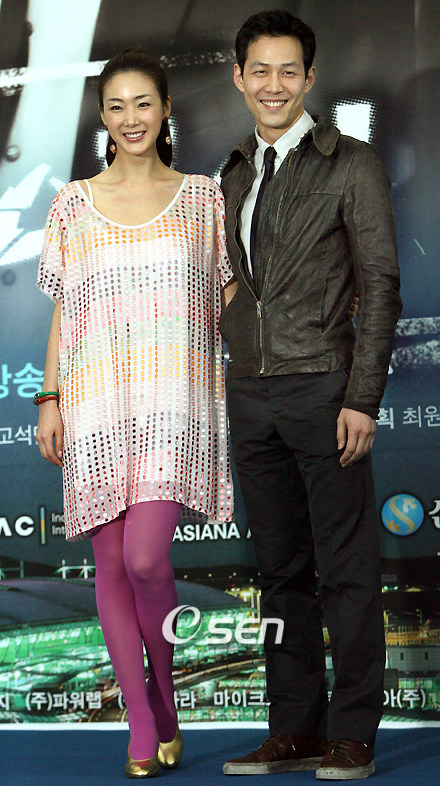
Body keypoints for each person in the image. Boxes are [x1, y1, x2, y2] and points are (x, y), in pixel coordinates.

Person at [35, 49, 234, 778]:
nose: (130, 118)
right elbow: (65, 310)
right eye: (116, 107)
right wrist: (50, 397)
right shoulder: (72, 204)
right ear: (103, 118)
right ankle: (143, 721)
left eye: (143, 103)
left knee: (147, 558)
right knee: (111, 564)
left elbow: (230, 296)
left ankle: (165, 699)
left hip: (172, 403)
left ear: (166, 107)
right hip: (95, 406)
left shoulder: (202, 200)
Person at [219, 10, 402, 781]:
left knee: (348, 569)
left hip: (326, 388)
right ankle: (293, 728)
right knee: (280, 572)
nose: (274, 84)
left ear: (310, 79)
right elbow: (235, 284)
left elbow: (380, 284)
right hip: (251, 395)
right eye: (259, 70)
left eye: (288, 71)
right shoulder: (233, 172)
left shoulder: (350, 163)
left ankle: (352, 732)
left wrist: (362, 397)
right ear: (239, 77)